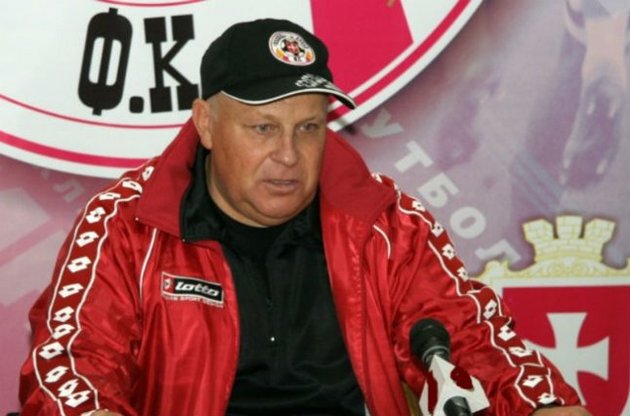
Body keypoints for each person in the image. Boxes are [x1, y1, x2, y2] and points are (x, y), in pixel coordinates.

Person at [19, 18, 590, 416]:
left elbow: (474, 341)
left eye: (309, 128)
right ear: (206, 124)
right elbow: (70, 365)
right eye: (263, 128)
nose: (289, 155)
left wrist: (545, 406)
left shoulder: (386, 224)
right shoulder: (127, 224)